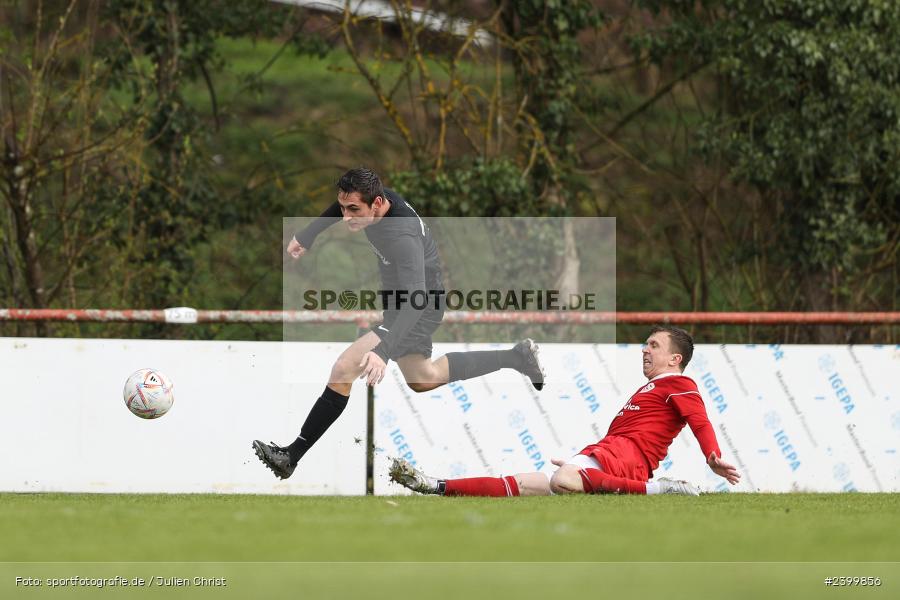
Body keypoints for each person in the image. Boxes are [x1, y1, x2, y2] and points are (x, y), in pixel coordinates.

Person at [253, 167, 546, 479]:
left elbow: (416, 298)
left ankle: (290, 456)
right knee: (422, 377)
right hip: (406, 301)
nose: (347, 216)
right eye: (343, 208)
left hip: (418, 306)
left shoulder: (401, 236)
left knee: (343, 369)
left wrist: (383, 351)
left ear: (377, 204)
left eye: (355, 210)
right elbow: (345, 205)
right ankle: (516, 357)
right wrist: (309, 234)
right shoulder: (375, 199)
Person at [390, 325, 740, 496]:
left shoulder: (680, 384)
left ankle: (661, 490)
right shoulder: (655, 387)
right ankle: (435, 485)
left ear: (675, 359)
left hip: (626, 457)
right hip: (609, 455)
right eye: (646, 343)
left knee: (562, 480)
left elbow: (700, 421)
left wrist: (712, 455)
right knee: (523, 485)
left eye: (654, 345)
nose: (644, 349)